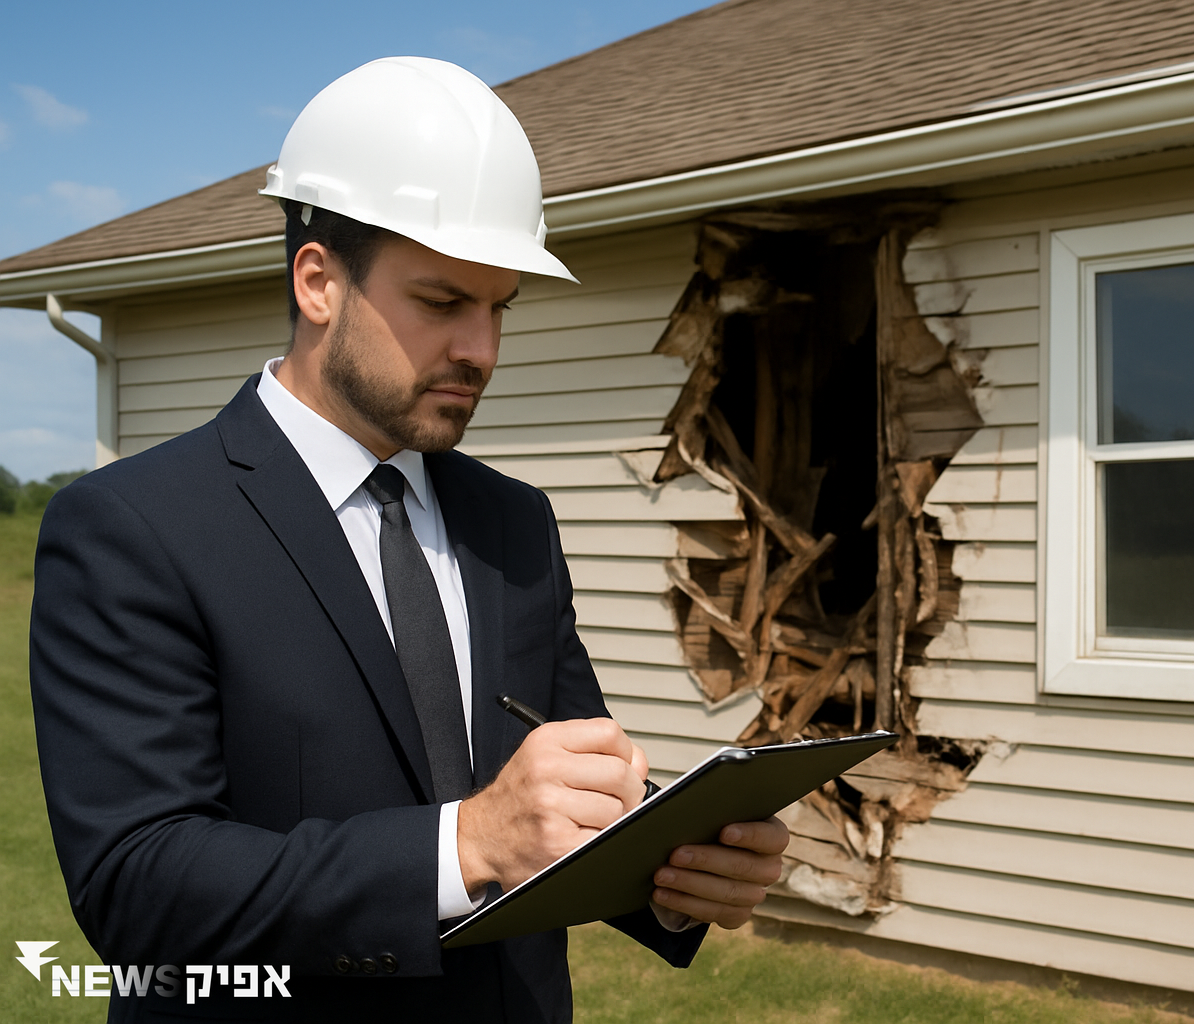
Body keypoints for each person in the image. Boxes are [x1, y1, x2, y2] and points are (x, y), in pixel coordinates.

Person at [29, 57, 788, 1023]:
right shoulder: (136, 527)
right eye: (442, 303)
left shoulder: (513, 522)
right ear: (318, 283)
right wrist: (463, 844)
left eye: (497, 308)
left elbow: (563, 801)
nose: (480, 349)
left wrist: (678, 871)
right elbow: (138, 885)